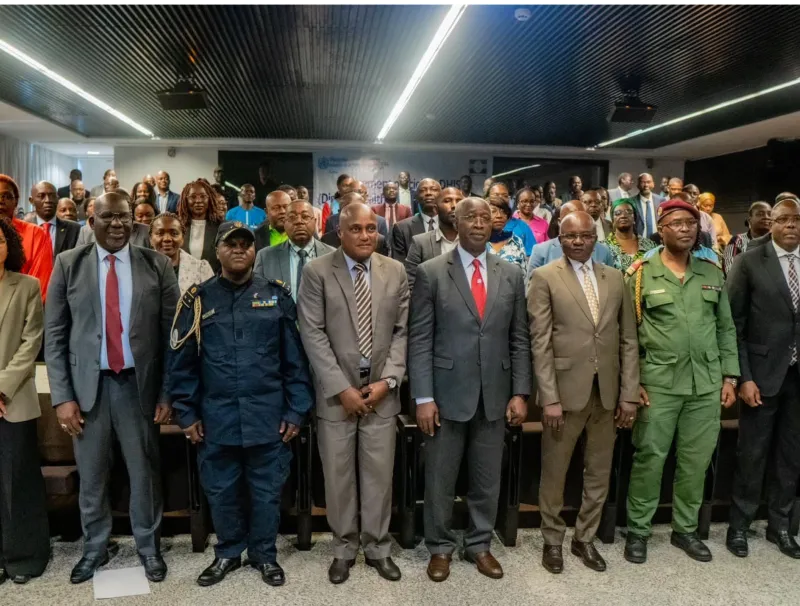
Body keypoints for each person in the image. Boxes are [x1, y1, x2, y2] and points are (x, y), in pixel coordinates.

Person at [45, 191, 180, 584]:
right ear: (92, 221)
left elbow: (173, 336)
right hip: (88, 391)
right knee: (91, 475)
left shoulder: (156, 265)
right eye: (108, 217)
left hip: (138, 386)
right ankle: (94, 548)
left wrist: (167, 393)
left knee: (144, 473)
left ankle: (149, 548)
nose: (117, 224)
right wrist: (63, 397)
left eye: (124, 218)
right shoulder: (68, 264)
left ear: (134, 222)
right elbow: (54, 335)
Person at [170, 221, 313, 587]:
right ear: (216, 251)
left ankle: (264, 555)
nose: (239, 250)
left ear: (254, 251)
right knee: (222, 490)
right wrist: (186, 413)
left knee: (267, 493)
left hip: (268, 419)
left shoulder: (277, 296)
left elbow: (295, 362)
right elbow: (182, 363)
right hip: (216, 419)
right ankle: (229, 552)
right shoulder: (198, 300)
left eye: (245, 244)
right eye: (230, 244)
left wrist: (296, 410)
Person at [409, 197, 531, 582]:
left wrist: (520, 392)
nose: (479, 223)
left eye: (485, 217)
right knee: (440, 479)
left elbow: (520, 339)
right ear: (455, 222)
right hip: (445, 395)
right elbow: (420, 339)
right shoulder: (430, 272)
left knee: (486, 479)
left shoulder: (510, 274)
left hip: (495, 394)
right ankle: (440, 547)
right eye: (470, 217)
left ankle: (479, 544)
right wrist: (423, 397)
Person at [297, 203, 409, 585]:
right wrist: (342, 388)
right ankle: (344, 548)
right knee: (339, 476)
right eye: (356, 229)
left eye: (371, 229)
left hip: (382, 392)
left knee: (379, 475)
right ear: (339, 233)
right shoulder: (316, 272)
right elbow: (312, 333)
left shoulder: (395, 271)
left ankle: (378, 547)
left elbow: (402, 332)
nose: (365, 236)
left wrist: (389, 381)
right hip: (336, 395)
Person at [623, 199, 739, 565]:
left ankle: (685, 529)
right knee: (650, 458)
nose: (686, 229)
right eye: (676, 224)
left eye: (691, 223)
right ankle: (638, 530)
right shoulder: (640, 274)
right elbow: (626, 334)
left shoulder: (712, 272)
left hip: (705, 384)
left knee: (696, 461)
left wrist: (730, 375)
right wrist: (633, 381)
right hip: (657, 383)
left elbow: (725, 328)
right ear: (661, 229)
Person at [529, 211, 639, 575]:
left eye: (585, 235)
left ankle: (584, 538)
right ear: (559, 238)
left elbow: (628, 340)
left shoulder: (615, 278)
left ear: (596, 238)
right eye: (570, 236)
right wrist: (549, 398)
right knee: (555, 471)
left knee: (598, 471)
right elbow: (540, 342)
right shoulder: (545, 277)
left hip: (606, 394)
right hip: (564, 393)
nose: (578, 241)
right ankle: (552, 540)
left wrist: (628, 394)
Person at [725, 198, 800, 559]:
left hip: (797, 378)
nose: (791, 226)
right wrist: (743, 378)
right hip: (760, 376)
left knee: (791, 455)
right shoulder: (749, 261)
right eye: (783, 219)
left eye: (797, 220)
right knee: (752, 454)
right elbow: (734, 325)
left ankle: (781, 526)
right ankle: (740, 526)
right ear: (771, 223)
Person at [0, 220, 48, 585]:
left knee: (18, 480)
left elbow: (31, 342)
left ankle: (25, 557)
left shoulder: (27, 286)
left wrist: (1, 388)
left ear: (9, 245)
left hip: (13, 399)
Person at [254, 200, 336, 301]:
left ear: (314, 222)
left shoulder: (333, 255)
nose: (299, 221)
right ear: (284, 223)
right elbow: (256, 295)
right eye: (292, 218)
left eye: (305, 217)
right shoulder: (265, 256)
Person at [526, 201, 614, 282]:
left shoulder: (604, 251)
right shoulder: (541, 251)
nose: (577, 222)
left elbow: (609, 285)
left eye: (582, 217)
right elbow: (532, 289)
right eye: (570, 218)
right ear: (560, 222)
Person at [0, 175, 53, 302]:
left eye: (6, 196)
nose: (1, 200)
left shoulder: (35, 233)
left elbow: (40, 285)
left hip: (23, 311)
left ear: (16, 202)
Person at [404, 187, 463, 290]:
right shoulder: (420, 243)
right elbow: (411, 285)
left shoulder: (473, 242)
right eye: (447, 201)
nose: (454, 206)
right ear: (436, 209)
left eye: (459, 201)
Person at [149, 212, 213, 293]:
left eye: (174, 233)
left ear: (182, 238)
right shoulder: (141, 268)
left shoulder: (201, 269)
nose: (167, 239)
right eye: (160, 233)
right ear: (150, 239)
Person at [177, 179, 225, 274]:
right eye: (193, 197)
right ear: (185, 199)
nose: (198, 201)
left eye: (203, 196)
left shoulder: (221, 226)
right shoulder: (178, 226)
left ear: (210, 199)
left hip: (214, 282)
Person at [391, 178, 441, 261]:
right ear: (416, 197)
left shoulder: (453, 225)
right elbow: (399, 266)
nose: (428, 193)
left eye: (433, 189)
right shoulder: (401, 228)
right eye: (423, 190)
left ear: (441, 195)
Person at [28, 182, 81, 260]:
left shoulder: (74, 229)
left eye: (52, 196)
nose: (48, 200)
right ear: (31, 201)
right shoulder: (23, 229)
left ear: (57, 198)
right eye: (41, 196)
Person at [605, 198, 657, 272]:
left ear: (635, 218)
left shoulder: (650, 246)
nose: (623, 215)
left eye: (628, 212)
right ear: (613, 220)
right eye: (618, 213)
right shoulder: (603, 247)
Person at [486, 182, 536, 256]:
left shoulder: (522, 226)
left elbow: (531, 257)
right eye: (496, 195)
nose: (501, 198)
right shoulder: (480, 229)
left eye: (505, 196)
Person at [722, 202, 772, 273]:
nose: (766, 217)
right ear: (749, 221)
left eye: (770, 214)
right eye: (760, 214)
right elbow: (731, 272)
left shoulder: (779, 242)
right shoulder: (737, 240)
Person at [487, 197, 527, 271]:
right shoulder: (477, 242)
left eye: (503, 212)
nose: (499, 215)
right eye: (493, 211)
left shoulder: (516, 241)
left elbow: (523, 275)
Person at [630, 173, 664, 238]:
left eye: (648, 182)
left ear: (653, 184)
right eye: (643, 182)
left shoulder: (661, 200)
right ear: (638, 185)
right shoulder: (631, 202)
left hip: (658, 240)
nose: (646, 185)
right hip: (638, 241)